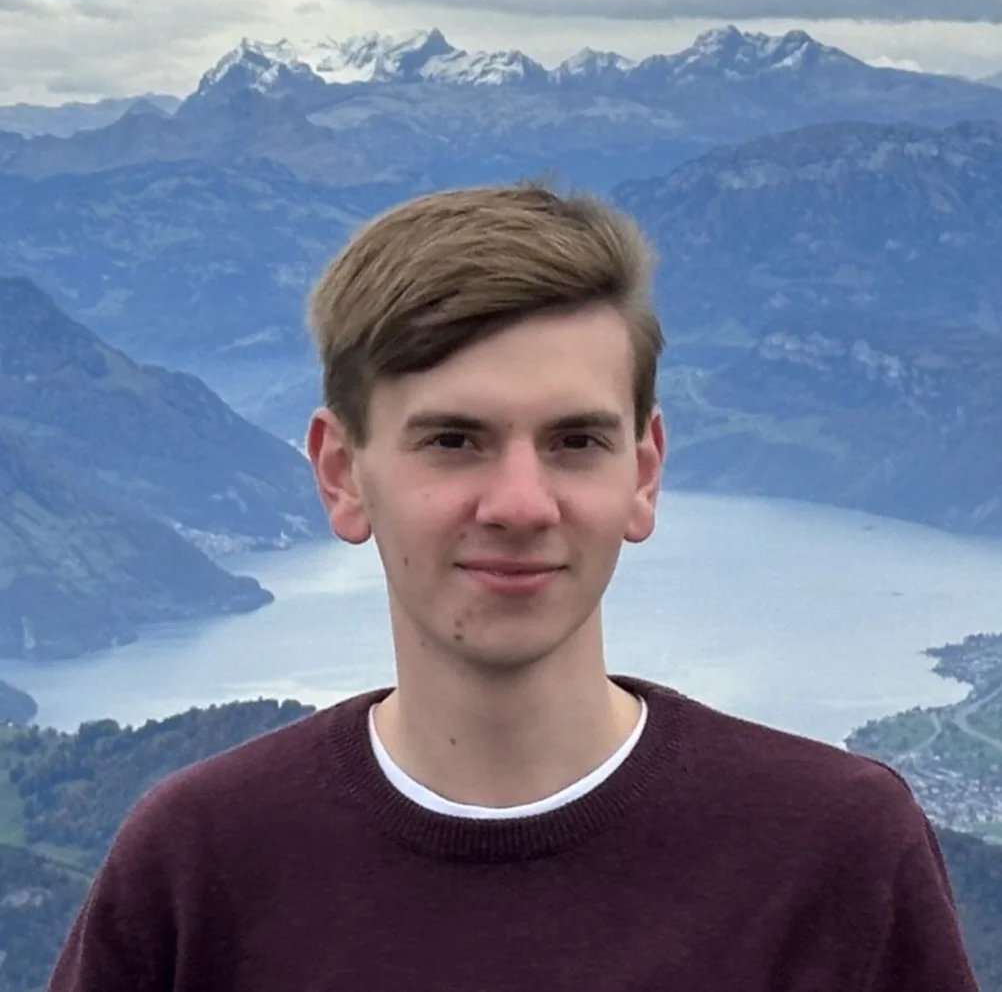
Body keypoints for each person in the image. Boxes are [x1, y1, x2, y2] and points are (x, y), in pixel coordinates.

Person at [47, 183, 978, 991]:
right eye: (454, 440)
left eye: (576, 441)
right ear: (341, 474)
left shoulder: (832, 851)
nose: (523, 505)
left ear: (644, 473)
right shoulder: (199, 863)